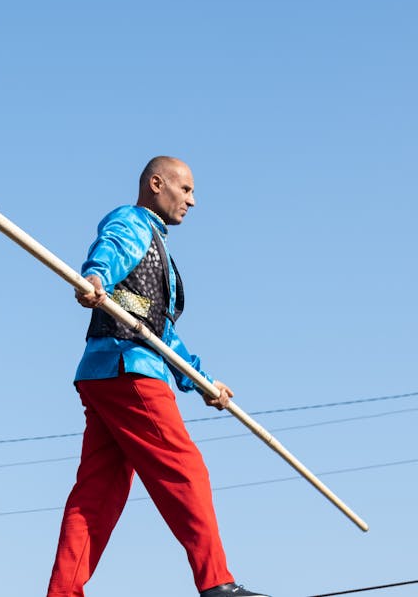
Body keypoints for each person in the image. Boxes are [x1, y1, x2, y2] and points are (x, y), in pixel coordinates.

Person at [47, 156, 270, 597]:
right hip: (129, 371)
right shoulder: (133, 223)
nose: (193, 200)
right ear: (156, 184)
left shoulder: (159, 249)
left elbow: (161, 331)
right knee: (185, 470)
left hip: (105, 373)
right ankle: (216, 583)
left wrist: (203, 381)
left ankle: (63, 593)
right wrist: (95, 278)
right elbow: (108, 250)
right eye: (185, 189)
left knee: (99, 493)